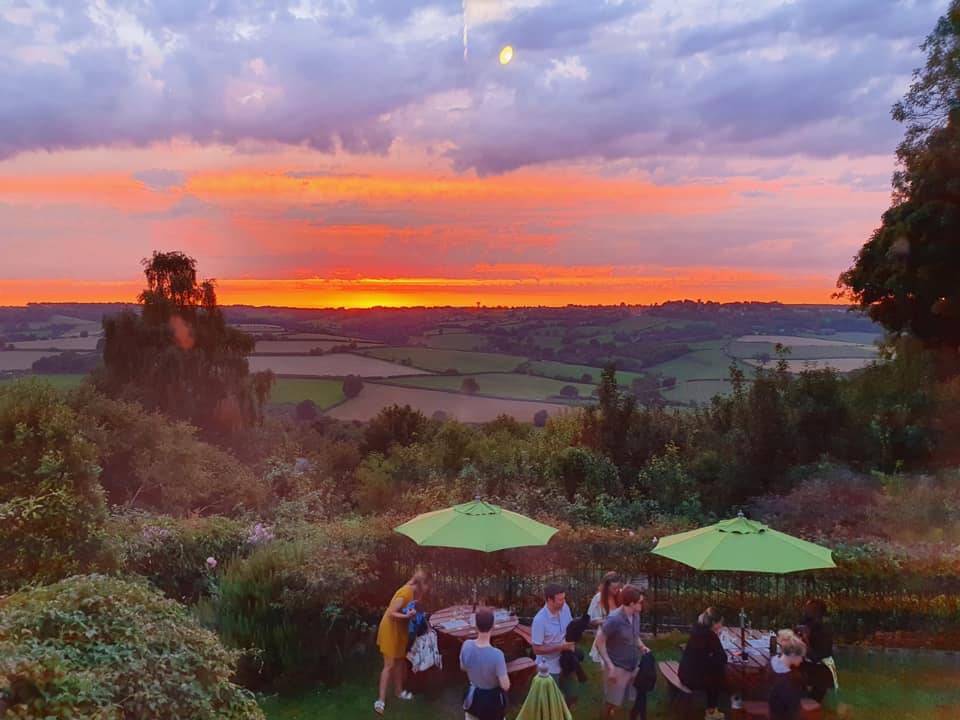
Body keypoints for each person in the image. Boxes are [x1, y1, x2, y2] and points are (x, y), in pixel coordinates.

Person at [375, 569, 431, 715]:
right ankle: (380, 701)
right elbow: (391, 613)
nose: (429, 588)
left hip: (400, 629)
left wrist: (413, 613)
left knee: (400, 661)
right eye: (427, 585)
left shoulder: (414, 593)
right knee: (389, 665)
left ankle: (399, 692)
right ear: (421, 584)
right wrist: (408, 616)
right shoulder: (405, 592)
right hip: (390, 629)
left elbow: (410, 609)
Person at [595, 585, 650, 718]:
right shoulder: (615, 620)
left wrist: (642, 646)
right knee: (611, 703)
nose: (643, 605)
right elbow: (599, 642)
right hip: (617, 667)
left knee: (632, 699)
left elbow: (634, 636)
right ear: (631, 603)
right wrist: (610, 666)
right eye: (640, 602)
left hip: (633, 665)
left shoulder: (636, 615)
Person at [531, 583, 578, 706]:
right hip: (549, 665)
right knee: (551, 701)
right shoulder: (540, 620)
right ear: (548, 600)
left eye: (564, 598)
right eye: (560, 600)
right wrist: (560, 647)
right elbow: (536, 649)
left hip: (566, 659)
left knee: (573, 694)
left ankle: (565, 711)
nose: (563, 602)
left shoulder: (565, 608)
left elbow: (570, 627)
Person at [460, 608, 510, 720]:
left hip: (473, 699)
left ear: (476, 625)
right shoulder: (497, 655)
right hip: (492, 703)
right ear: (493, 626)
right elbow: (505, 686)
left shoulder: (466, 645)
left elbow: (463, 667)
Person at [678, 607, 727, 720]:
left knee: (713, 668)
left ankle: (713, 708)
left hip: (684, 673)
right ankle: (711, 711)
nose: (721, 626)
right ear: (714, 623)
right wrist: (717, 637)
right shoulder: (710, 636)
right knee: (718, 673)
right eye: (720, 623)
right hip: (693, 679)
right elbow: (723, 658)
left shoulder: (697, 630)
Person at [797, 599, 837, 702]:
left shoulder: (824, 631)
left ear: (816, 612)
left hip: (820, 673)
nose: (804, 610)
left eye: (808, 609)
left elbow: (815, 657)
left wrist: (805, 640)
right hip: (808, 666)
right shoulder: (807, 623)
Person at [768, 630, 807, 720]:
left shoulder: (770, 665)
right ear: (792, 655)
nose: (801, 660)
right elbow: (793, 712)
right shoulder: (791, 680)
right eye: (800, 656)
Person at [588, 572, 623, 663]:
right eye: (613, 588)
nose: (616, 590)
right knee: (607, 667)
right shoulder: (598, 598)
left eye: (618, 587)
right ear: (606, 588)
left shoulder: (621, 595)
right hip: (605, 635)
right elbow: (592, 621)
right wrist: (607, 621)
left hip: (620, 636)